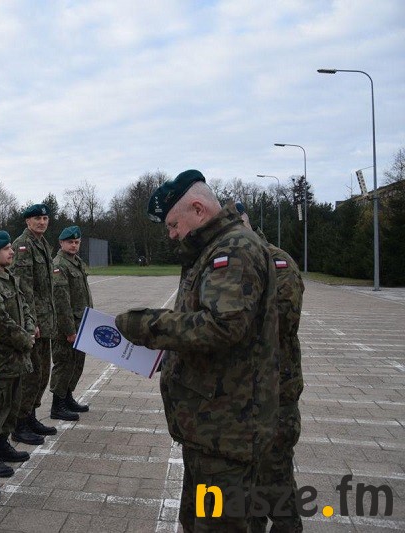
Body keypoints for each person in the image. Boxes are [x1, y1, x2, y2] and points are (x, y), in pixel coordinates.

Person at [114, 170, 279, 531]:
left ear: (198, 209)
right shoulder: (212, 248)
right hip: (212, 429)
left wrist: (148, 326)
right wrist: (169, 355)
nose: (171, 234)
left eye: (173, 224)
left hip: (227, 432)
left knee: (217, 525)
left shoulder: (233, 249)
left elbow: (222, 326)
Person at [236, 203, 306, 533]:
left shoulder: (277, 262)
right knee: (249, 485)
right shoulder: (233, 263)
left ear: (247, 223)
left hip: (275, 394)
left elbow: (283, 322)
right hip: (242, 396)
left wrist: (224, 328)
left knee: (275, 481)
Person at [0, 230, 37, 476]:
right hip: (2, 357)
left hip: (17, 356)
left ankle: (2, 444)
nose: (12, 251)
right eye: (6, 249)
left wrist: (30, 328)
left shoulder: (8, 276)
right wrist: (25, 339)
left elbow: (24, 306)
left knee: (12, 405)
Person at [11, 203, 57, 444]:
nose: (42, 222)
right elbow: (23, 287)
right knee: (31, 374)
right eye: (37, 218)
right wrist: (31, 322)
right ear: (27, 221)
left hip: (46, 320)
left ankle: (31, 416)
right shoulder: (23, 245)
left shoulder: (43, 244)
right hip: (34, 321)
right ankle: (20, 424)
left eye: (45, 218)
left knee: (42, 372)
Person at [50, 225, 94, 420]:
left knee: (76, 363)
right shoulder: (59, 265)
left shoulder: (76, 262)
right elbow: (61, 301)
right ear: (61, 243)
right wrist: (69, 330)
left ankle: (68, 398)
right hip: (67, 327)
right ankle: (57, 405)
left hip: (81, 323)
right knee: (64, 364)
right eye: (70, 242)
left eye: (77, 242)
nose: (74, 245)